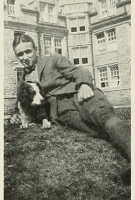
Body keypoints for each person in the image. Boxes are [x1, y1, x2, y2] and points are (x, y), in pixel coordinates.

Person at [10, 34, 131, 185]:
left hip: (79, 95)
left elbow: (79, 71)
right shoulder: (23, 78)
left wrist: (84, 85)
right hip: (62, 113)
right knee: (97, 130)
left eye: (28, 51)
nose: (25, 57)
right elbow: (23, 100)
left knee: (103, 117)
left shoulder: (52, 59)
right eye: (20, 54)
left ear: (36, 50)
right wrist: (16, 114)